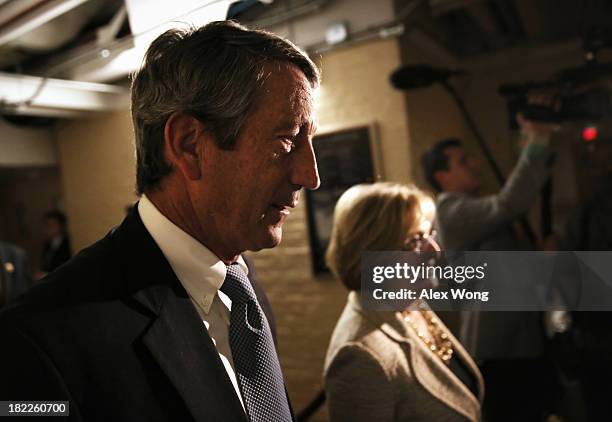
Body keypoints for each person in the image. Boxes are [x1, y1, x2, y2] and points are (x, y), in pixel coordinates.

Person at [0, 20, 320, 422]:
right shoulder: (37, 340)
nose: (310, 175)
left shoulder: (240, 283)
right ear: (189, 145)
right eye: (287, 140)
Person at [421, 116, 557, 421]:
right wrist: (536, 143)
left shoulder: (470, 211)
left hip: (518, 345)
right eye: (463, 161)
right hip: (499, 351)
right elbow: (507, 205)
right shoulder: (451, 210)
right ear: (442, 176)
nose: (474, 164)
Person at [324, 183, 484, 422]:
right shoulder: (359, 355)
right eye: (416, 241)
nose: (435, 250)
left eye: (431, 234)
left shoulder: (409, 304)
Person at [37, 210, 72, 278]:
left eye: (52, 225)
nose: (48, 229)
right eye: (47, 225)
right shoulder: (47, 244)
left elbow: (66, 268)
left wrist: (48, 275)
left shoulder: (66, 244)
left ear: (61, 226)